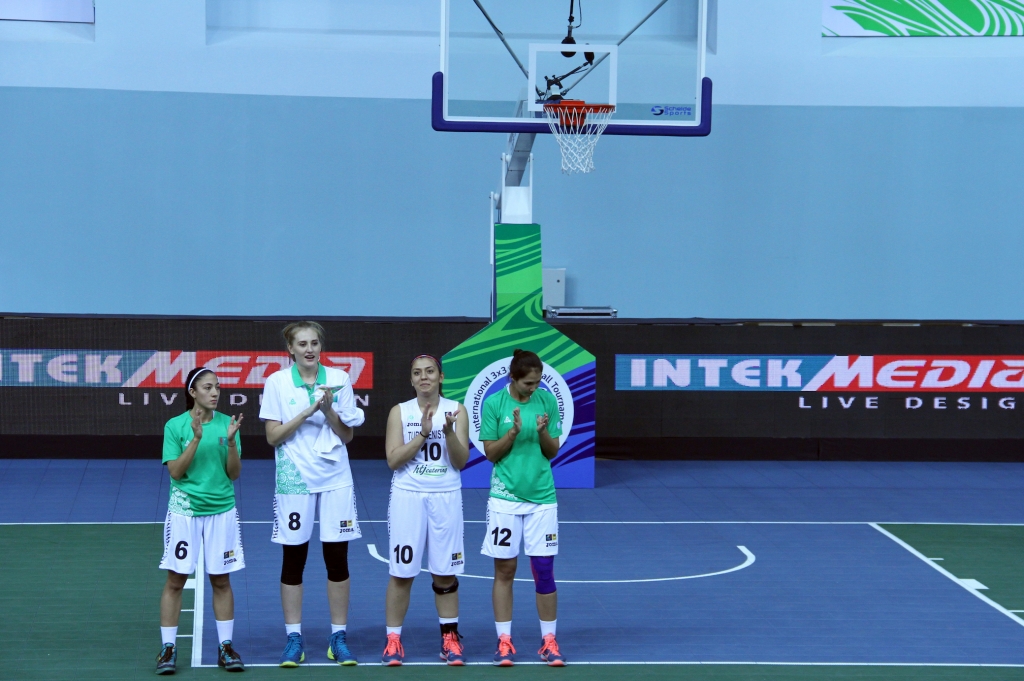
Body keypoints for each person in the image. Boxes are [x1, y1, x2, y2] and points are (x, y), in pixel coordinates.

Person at [259, 321, 365, 667]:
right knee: (294, 559)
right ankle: (294, 638)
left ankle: (339, 637)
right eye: (302, 344)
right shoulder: (276, 382)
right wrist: (307, 412)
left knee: (337, 559)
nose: (309, 349)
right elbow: (273, 437)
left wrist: (328, 409)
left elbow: (347, 436)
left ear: (321, 346)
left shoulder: (339, 379)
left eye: (314, 343)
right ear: (290, 349)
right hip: (295, 479)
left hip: (335, 477)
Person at [381, 355, 470, 666]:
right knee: (402, 572)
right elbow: (393, 461)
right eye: (417, 373)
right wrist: (422, 433)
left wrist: (447, 432)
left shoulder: (456, 410)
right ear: (411, 380)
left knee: (445, 572)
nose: (424, 377)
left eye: (430, 371)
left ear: (440, 377)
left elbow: (460, 461)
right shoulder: (400, 412)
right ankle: (393, 640)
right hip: (408, 497)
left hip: (446, 496)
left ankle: (450, 639)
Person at [479, 349, 566, 667]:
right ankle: (504, 641)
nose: (534, 387)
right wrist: (513, 432)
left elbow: (552, 452)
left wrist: (542, 432)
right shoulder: (494, 404)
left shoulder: (547, 401)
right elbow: (491, 454)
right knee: (505, 569)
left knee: (544, 570)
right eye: (529, 382)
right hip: (505, 499)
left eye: (538, 381)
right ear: (513, 378)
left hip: (542, 498)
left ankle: (549, 641)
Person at [157, 367, 245, 674]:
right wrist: (195, 439)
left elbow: (234, 474)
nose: (215, 392)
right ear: (192, 392)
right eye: (208, 387)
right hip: (185, 513)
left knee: (221, 580)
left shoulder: (228, 424)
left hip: (222, 511)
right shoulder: (175, 426)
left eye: (217, 387)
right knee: (176, 580)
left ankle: (226, 648)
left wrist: (231, 442)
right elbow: (175, 471)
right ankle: (168, 649)